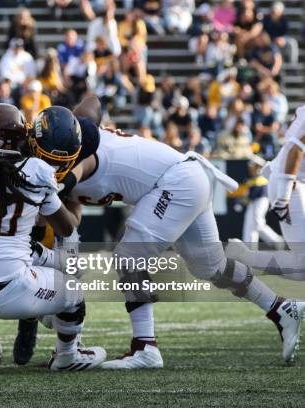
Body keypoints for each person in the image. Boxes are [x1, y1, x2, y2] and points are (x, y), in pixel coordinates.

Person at [58, 108, 303, 368]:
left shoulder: (85, 158)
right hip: (188, 176)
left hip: (177, 180)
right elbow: (70, 216)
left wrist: (57, 184)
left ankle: (145, 347)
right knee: (211, 266)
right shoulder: (68, 157)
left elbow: (83, 162)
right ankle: (280, 308)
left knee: (129, 258)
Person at [0, 104, 106, 370]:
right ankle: (67, 355)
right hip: (9, 288)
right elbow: (67, 228)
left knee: (39, 255)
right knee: (74, 288)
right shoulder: (37, 171)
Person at [226, 105, 305, 286]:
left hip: (293, 180)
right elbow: (296, 149)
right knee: (302, 266)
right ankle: (245, 257)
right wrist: (284, 195)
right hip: (290, 184)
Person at [240, 156, 283, 247]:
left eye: (253, 166)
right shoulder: (252, 179)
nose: (250, 168)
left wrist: (245, 198)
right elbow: (248, 194)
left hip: (261, 201)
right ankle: (249, 248)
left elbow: (254, 193)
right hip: (253, 202)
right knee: (249, 224)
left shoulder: (262, 177)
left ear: (258, 167)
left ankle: (276, 241)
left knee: (257, 223)